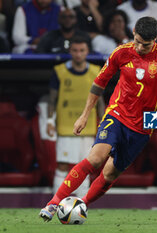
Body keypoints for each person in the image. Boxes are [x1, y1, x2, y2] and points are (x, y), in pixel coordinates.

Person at [39, 16, 157, 222]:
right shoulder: (121, 52)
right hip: (117, 112)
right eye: (136, 40)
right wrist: (85, 115)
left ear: (156, 38)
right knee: (96, 158)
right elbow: (99, 83)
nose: (139, 47)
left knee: (109, 174)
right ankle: (53, 203)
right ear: (133, 31)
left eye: (145, 44)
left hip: (146, 121)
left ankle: (82, 205)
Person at [46, 36, 105, 197]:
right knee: (63, 165)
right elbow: (52, 99)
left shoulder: (95, 71)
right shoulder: (60, 71)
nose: (78, 54)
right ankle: (56, 201)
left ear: (87, 52)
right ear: (70, 51)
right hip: (66, 126)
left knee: (86, 165)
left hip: (88, 126)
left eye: (82, 50)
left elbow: (100, 101)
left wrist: (105, 122)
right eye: (75, 50)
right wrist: (50, 120)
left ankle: (81, 203)